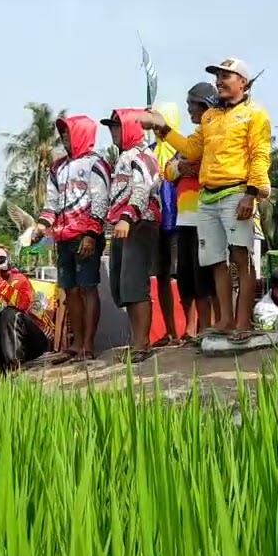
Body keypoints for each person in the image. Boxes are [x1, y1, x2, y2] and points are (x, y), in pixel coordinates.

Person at [150, 58, 272, 339]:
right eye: (217, 76)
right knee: (216, 261)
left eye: (226, 76)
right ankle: (225, 320)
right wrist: (165, 131)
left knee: (241, 258)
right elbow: (192, 151)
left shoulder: (255, 114)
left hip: (237, 192)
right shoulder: (210, 117)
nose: (219, 81)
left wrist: (251, 194)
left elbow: (260, 155)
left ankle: (243, 322)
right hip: (208, 196)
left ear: (243, 81)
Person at [31, 115, 111, 362]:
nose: (65, 140)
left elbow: (100, 200)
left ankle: (88, 345)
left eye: (69, 134)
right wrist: (42, 226)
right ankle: (76, 344)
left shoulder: (96, 164)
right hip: (63, 236)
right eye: (63, 136)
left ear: (81, 135)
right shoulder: (57, 167)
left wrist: (91, 232)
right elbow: (51, 204)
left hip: (86, 234)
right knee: (70, 290)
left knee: (88, 287)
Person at [100, 108, 162, 356]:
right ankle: (137, 341)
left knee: (134, 283)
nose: (113, 132)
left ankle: (141, 343)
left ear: (131, 127)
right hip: (123, 224)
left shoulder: (142, 156)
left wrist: (127, 216)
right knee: (123, 285)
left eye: (118, 126)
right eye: (111, 127)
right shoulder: (124, 157)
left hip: (139, 223)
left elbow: (142, 188)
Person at [164, 85, 219, 339]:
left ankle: (207, 328)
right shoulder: (189, 143)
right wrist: (184, 166)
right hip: (183, 220)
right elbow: (168, 171)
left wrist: (184, 166)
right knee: (186, 277)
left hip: (205, 216)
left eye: (192, 105)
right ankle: (189, 329)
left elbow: (201, 165)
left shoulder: (211, 139)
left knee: (204, 278)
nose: (189, 111)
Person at [149, 102, 182, 345]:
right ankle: (170, 330)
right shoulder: (148, 152)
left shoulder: (182, 149)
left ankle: (191, 329)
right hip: (156, 223)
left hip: (181, 221)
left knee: (183, 275)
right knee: (160, 276)